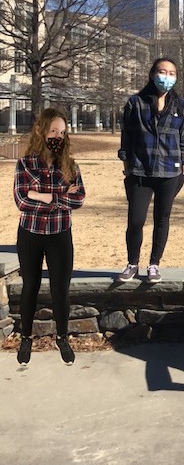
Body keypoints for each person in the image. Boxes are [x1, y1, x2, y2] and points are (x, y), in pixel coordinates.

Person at [13, 108, 86, 365]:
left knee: (60, 289)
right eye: (53, 130)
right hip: (30, 234)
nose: (58, 136)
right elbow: (21, 200)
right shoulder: (24, 164)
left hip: (60, 234)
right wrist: (60, 198)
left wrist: (43, 196)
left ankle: (62, 337)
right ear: (41, 131)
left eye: (62, 132)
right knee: (30, 287)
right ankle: (25, 338)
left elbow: (78, 199)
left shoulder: (70, 166)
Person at [117, 57, 184, 283]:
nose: (166, 77)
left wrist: (183, 172)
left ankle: (154, 264)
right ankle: (132, 263)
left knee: (162, 219)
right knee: (136, 220)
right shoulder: (135, 103)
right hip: (140, 172)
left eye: (171, 73)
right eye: (162, 72)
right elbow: (127, 139)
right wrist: (127, 168)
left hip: (170, 173)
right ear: (152, 74)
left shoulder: (181, 106)